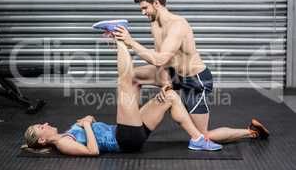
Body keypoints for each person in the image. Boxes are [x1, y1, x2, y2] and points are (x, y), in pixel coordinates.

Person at [113, 0, 270, 143]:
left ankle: (252, 132)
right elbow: (164, 60)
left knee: (204, 136)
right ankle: (133, 123)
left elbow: (159, 58)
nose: (143, 12)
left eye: (145, 8)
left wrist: (131, 42)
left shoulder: (178, 25)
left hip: (195, 80)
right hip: (174, 74)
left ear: (156, 3)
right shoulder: (155, 24)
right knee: (131, 76)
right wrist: (166, 84)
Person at [22, 40, 223, 156]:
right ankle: (119, 37)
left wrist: (88, 122)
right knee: (124, 82)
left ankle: (197, 138)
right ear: (42, 139)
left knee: (169, 96)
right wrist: (86, 125)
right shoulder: (62, 144)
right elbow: (93, 151)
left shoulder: (65, 136)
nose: (45, 123)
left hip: (128, 133)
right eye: (42, 126)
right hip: (124, 139)